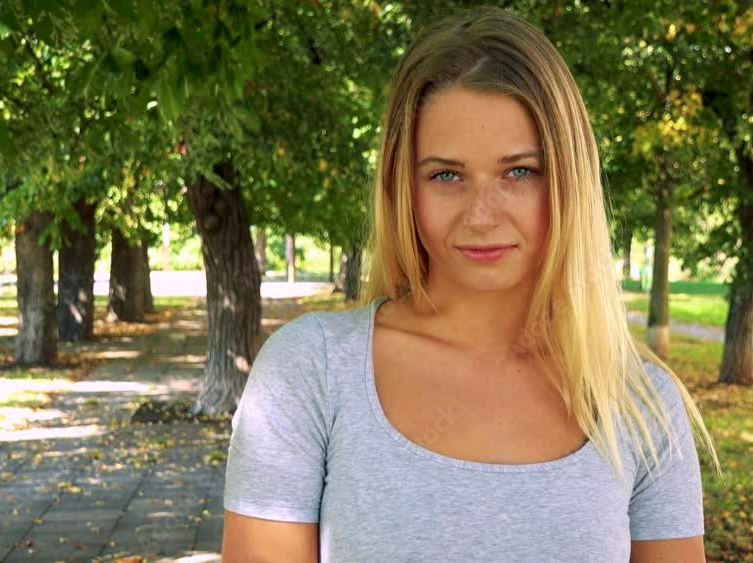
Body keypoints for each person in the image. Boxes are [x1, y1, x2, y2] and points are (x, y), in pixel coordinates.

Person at [222, 6, 722, 562]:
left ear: (569, 181)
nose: (482, 215)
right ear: (403, 188)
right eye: (446, 175)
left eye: (519, 171)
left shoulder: (640, 405)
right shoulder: (311, 372)